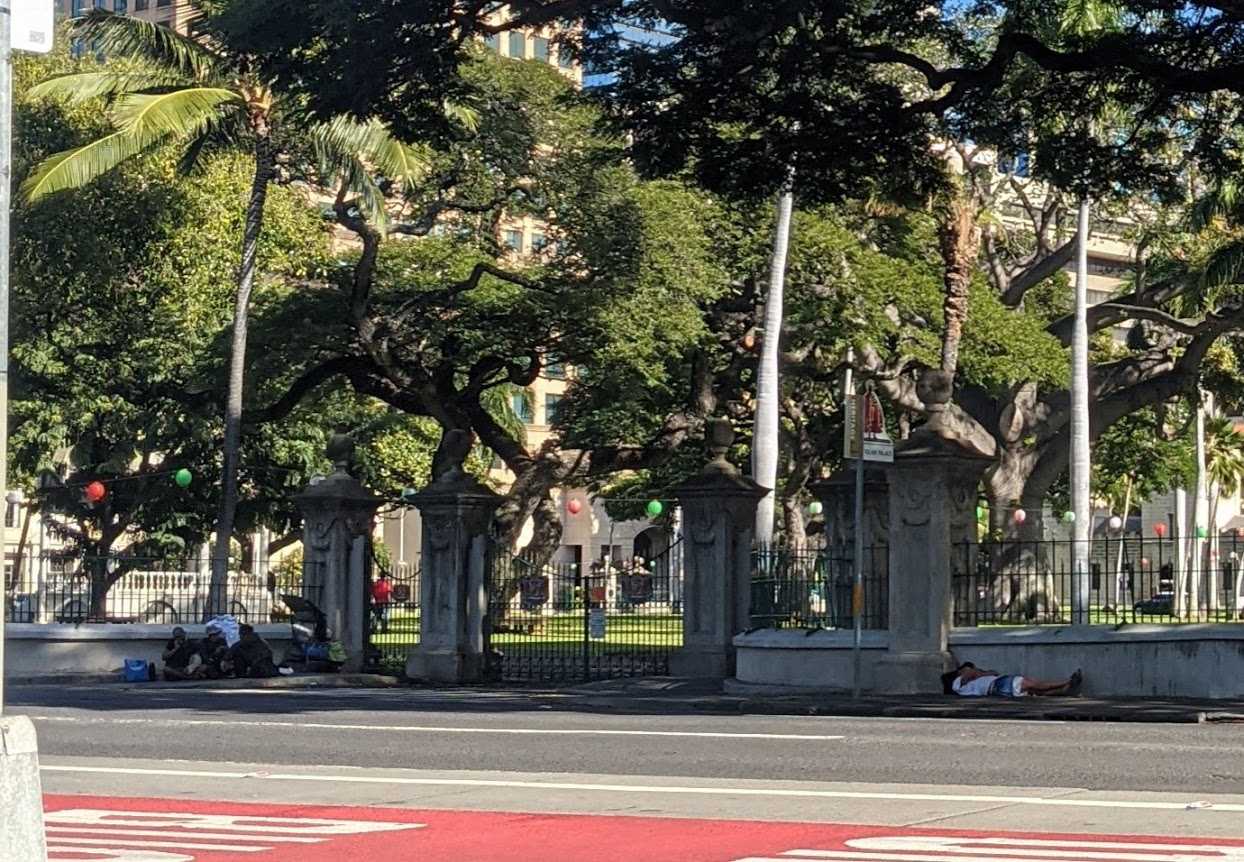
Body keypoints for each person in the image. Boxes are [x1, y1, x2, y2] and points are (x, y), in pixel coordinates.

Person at [942, 662, 1083, 697]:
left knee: (1034, 691)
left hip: (996, 689)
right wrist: (981, 672)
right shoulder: (958, 682)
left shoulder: (963, 689)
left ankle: (1062, 689)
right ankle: (1067, 682)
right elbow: (971, 671)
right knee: (1035, 684)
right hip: (999, 683)